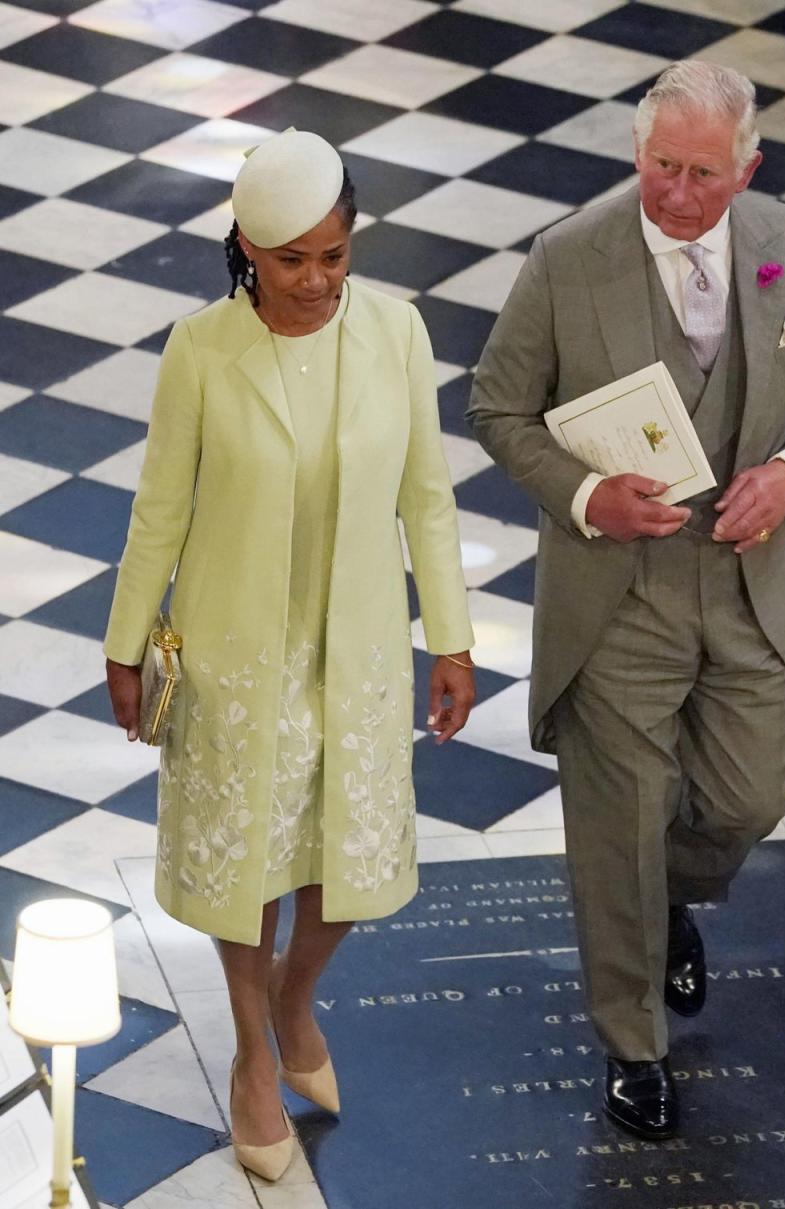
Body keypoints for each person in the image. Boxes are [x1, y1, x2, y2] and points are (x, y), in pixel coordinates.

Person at [468, 61, 785, 1139]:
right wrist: (591, 493)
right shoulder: (569, 258)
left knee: (747, 798)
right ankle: (633, 1046)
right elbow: (498, 408)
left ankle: (672, 903)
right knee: (619, 824)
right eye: (660, 167)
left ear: (750, 168)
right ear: (635, 153)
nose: (678, 194)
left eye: (703, 173)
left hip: (745, 583)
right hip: (617, 593)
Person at [104, 129, 475, 1181]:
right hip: (232, 652)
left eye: (334, 256)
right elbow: (159, 511)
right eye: (290, 260)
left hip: (354, 648)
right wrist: (125, 645)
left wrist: (449, 636)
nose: (316, 281)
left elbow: (429, 499)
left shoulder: (398, 334)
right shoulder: (203, 352)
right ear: (247, 251)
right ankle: (254, 1053)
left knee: (347, 862)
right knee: (250, 863)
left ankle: (293, 995)